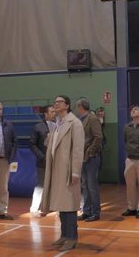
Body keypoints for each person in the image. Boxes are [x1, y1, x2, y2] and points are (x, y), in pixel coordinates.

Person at [40, 95, 84, 252]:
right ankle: (65, 235)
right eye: (55, 102)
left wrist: (76, 172)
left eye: (59, 102)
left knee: (69, 205)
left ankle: (72, 238)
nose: (56, 104)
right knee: (61, 204)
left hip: (68, 170)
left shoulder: (75, 123)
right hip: (57, 168)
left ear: (67, 105)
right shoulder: (57, 124)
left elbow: (78, 149)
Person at [76, 98, 103, 222]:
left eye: (77, 107)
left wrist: (90, 152)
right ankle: (86, 211)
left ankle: (95, 212)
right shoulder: (80, 120)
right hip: (82, 157)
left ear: (81, 107)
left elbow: (98, 137)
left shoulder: (92, 119)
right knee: (85, 185)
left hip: (91, 158)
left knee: (92, 186)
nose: (77, 110)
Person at [29, 104, 56, 216]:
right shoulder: (38, 127)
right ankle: (34, 207)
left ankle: (55, 206)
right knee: (41, 184)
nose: (54, 114)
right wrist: (42, 156)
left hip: (56, 162)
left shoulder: (58, 126)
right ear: (45, 114)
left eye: (55, 112)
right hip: (42, 161)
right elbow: (32, 144)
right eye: (52, 112)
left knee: (55, 185)